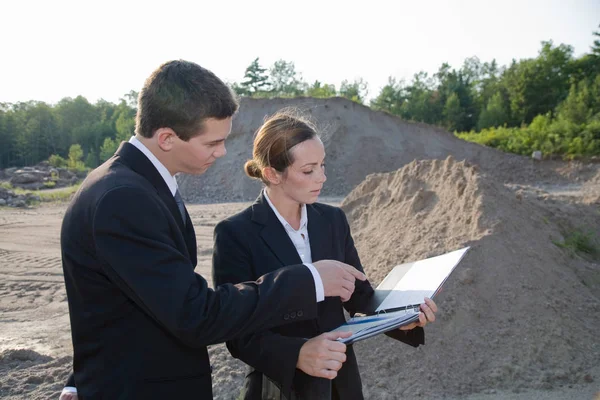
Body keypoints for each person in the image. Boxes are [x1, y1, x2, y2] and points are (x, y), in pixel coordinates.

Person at [59, 60, 366, 400]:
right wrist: (309, 279)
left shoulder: (130, 185)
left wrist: (80, 376)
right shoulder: (125, 198)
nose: (221, 153)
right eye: (211, 144)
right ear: (166, 138)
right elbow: (194, 313)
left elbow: (123, 302)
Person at [212, 110, 438, 400]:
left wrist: (401, 318)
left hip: (341, 387)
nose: (322, 177)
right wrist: (298, 353)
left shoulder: (333, 220)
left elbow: (359, 296)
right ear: (271, 173)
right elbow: (236, 333)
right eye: (308, 170)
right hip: (280, 389)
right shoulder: (235, 234)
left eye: (322, 165)